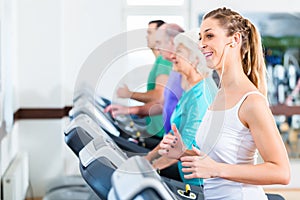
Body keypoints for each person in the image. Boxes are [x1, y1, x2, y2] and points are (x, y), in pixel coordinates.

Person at [158, 7, 290, 199]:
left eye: (210, 36)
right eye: (201, 38)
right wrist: (183, 152)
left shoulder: (251, 101)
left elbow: (282, 172)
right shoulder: (219, 95)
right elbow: (214, 162)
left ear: (234, 40)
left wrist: (217, 169)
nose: (202, 44)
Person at [145, 30, 217, 186]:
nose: (172, 56)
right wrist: (148, 158)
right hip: (187, 176)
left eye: (178, 52)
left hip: (200, 184)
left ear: (196, 59)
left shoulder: (201, 96)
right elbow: (173, 135)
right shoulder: (192, 89)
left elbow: (186, 146)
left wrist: (150, 169)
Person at [105, 23, 185, 140]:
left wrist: (129, 95)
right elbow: (164, 103)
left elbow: (159, 97)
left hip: (165, 134)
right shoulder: (172, 68)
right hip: (166, 136)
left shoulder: (165, 62)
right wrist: (131, 110)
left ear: (171, 41)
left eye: (150, 33)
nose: (147, 37)